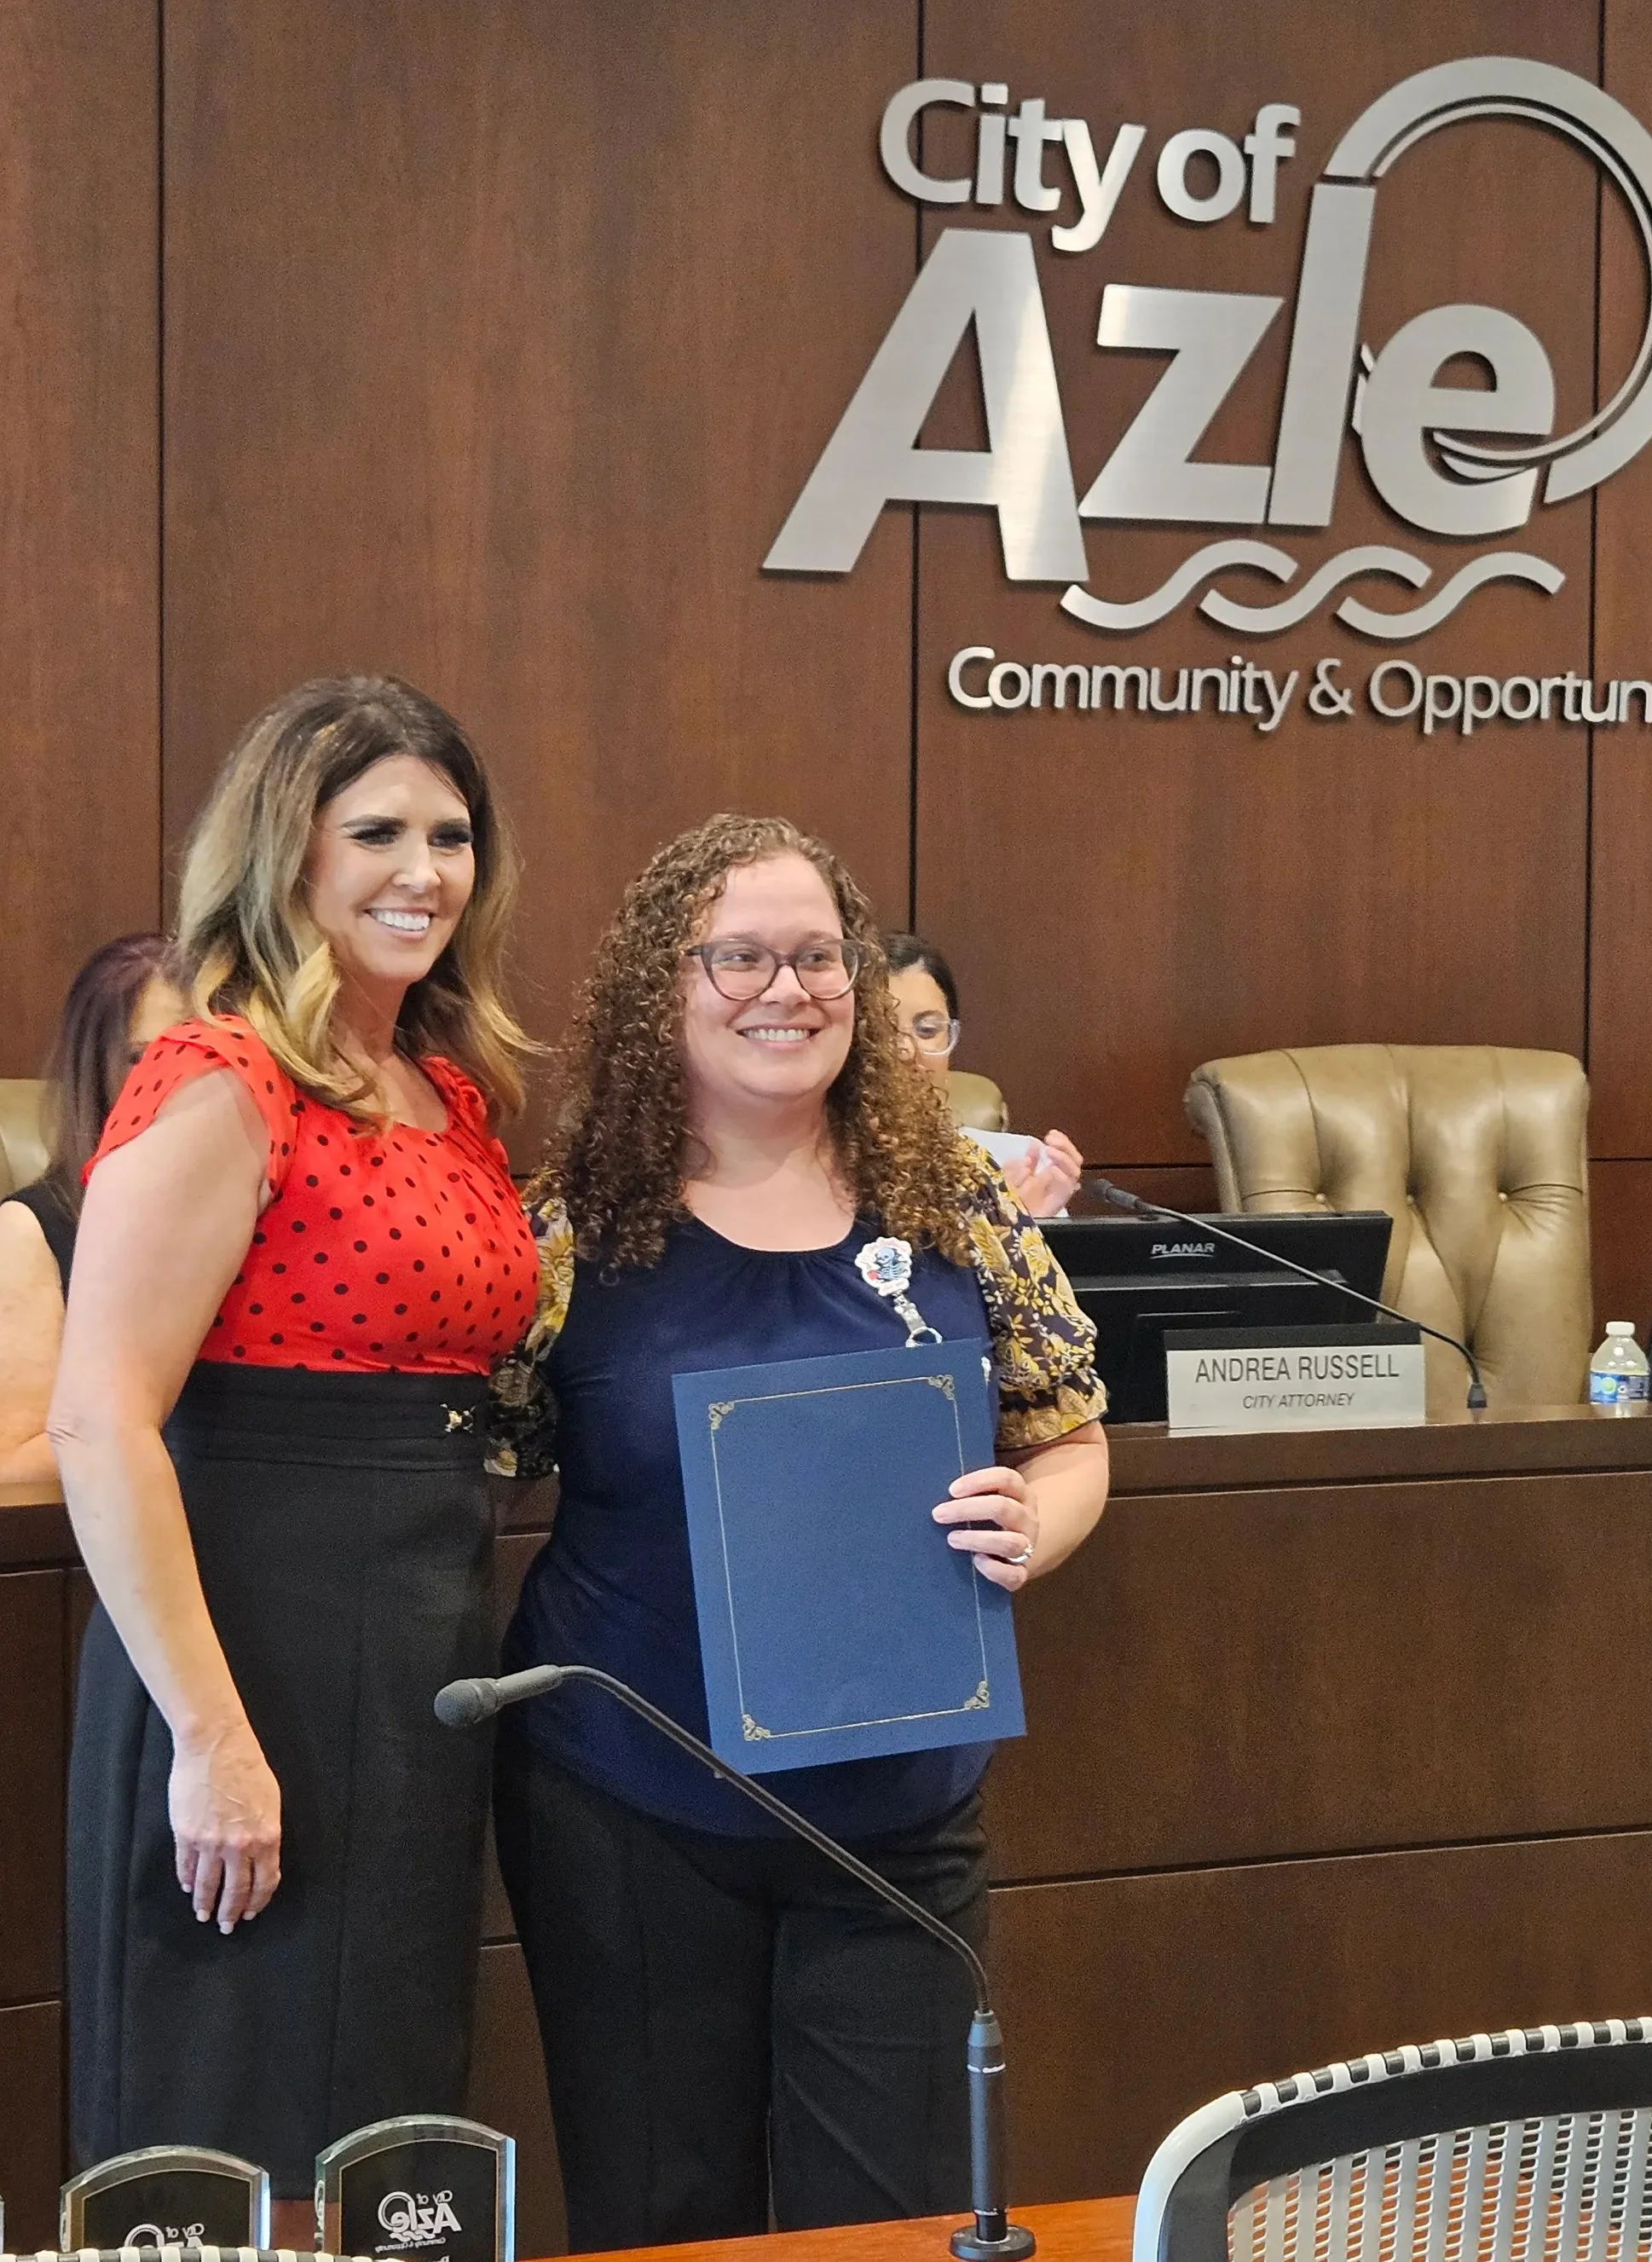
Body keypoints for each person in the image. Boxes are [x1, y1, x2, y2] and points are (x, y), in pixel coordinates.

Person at [488, 811, 1108, 2250]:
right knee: (663, 2218)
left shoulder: (958, 1198)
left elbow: (1070, 1437)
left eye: (820, 956)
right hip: (629, 1804)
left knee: (897, 2225)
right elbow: (472, 1468)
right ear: (665, 985)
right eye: (741, 957)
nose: (788, 988)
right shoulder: (567, 1226)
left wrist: (1038, 1521)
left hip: (897, 1818)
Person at [47, 674, 539, 2190]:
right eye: (376, 831)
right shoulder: (220, 1077)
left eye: (450, 835)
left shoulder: (446, 1089)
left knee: (383, 2111)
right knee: (233, 2117)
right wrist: (211, 1739)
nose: (424, 871)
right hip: (250, 1645)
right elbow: (99, 1420)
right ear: (284, 852)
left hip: (418, 1649)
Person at [0, 934, 180, 1490]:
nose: (184, 1079)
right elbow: (11, 1463)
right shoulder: (31, 1230)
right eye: (145, 1058)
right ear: (95, 1071)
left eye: (208, 1055)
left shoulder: (267, 1217)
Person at [884, 929, 1083, 1215]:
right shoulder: (821, 1178)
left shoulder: (1022, 1163)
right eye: (882, 1031)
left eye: (927, 1030)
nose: (906, 1051)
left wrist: (1031, 1226)